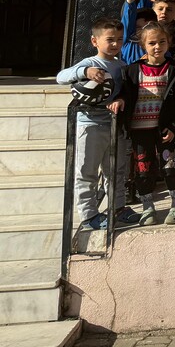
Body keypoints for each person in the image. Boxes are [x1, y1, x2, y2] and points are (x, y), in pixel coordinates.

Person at [57, 17, 141, 231]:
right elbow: (61, 77)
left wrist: (122, 100)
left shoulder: (122, 65)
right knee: (87, 171)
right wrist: (84, 73)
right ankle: (89, 215)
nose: (115, 44)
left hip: (116, 126)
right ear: (95, 41)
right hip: (90, 125)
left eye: (120, 40)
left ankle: (118, 207)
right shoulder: (90, 63)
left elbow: (127, 92)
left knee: (116, 170)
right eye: (110, 39)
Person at [116, 23, 175, 226]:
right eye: (152, 43)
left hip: (165, 131)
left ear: (169, 42)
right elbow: (124, 94)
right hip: (139, 132)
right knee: (144, 170)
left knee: (170, 167)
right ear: (143, 46)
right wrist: (119, 100)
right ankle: (148, 208)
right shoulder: (130, 71)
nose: (157, 46)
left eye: (162, 41)